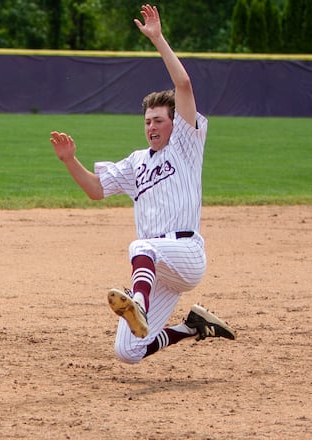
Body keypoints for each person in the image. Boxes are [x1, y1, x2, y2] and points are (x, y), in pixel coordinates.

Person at [49, 5, 235, 364]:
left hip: (186, 253)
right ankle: (194, 326)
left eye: (159, 120)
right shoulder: (136, 162)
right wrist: (70, 160)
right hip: (159, 269)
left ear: (174, 123)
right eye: (147, 121)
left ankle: (138, 303)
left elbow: (183, 84)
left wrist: (158, 39)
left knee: (140, 246)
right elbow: (95, 190)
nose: (151, 126)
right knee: (128, 351)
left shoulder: (186, 143)